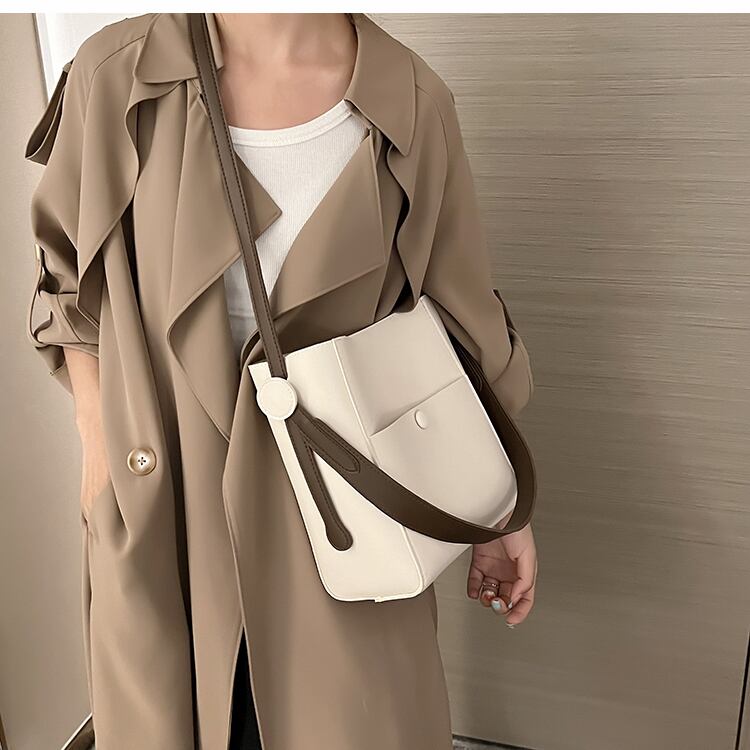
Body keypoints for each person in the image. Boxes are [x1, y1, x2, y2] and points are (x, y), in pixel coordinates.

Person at [24, 12, 538, 750]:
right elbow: (67, 282)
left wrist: (502, 510)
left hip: (344, 517)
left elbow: (463, 329)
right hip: (172, 515)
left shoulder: (411, 104)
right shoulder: (119, 76)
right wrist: (100, 452)